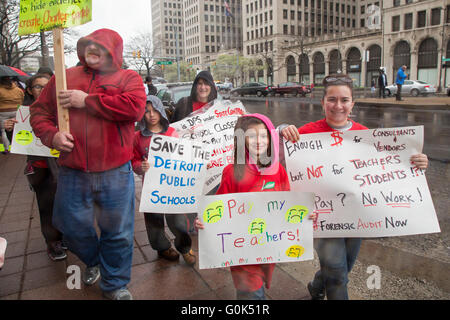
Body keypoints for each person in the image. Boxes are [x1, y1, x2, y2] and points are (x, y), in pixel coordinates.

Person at [280, 73, 429, 300]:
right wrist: (283, 128)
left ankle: (317, 285)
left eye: (344, 100)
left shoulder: (365, 135)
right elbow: (269, 148)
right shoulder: (307, 133)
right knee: (339, 275)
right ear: (322, 102)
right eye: (332, 99)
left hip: (357, 217)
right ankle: (325, 285)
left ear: (352, 103)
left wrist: (417, 163)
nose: (338, 105)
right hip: (324, 218)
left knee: (344, 268)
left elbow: (389, 169)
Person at [30, 28, 146, 300]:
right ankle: (96, 260)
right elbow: (39, 112)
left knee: (117, 232)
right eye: (89, 45)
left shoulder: (128, 77)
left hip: (116, 173)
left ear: (112, 51)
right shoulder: (64, 76)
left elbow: (134, 108)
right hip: (73, 172)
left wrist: (88, 101)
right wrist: (52, 136)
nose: (93, 50)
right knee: (68, 224)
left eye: (101, 47)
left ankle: (115, 284)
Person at [196, 113, 292, 300]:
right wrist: (205, 221)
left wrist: (304, 216)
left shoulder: (278, 170)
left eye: (263, 135)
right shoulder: (232, 172)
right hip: (242, 248)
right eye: (252, 136)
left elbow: (288, 202)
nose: (259, 141)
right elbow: (219, 206)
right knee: (251, 292)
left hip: (268, 244)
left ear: (271, 137)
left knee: (259, 286)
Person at [131, 95, 196, 265]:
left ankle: (184, 247)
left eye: (155, 110)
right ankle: (162, 247)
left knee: (179, 221)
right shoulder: (137, 137)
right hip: (151, 188)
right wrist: (140, 166)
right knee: (154, 222)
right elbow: (134, 160)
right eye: (147, 112)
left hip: (172, 186)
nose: (151, 115)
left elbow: (184, 156)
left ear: (161, 111)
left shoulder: (172, 133)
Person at [23, 73, 66, 261]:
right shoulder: (23, 112)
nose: (42, 89)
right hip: (40, 168)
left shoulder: (62, 110)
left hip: (63, 164)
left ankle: (65, 237)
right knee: (47, 205)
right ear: (30, 90)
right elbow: (16, 142)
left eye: (46, 86)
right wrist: (10, 129)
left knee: (66, 203)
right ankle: (53, 242)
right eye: (37, 86)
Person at [172, 70, 219, 232]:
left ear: (212, 86)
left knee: (210, 193)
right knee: (191, 193)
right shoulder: (183, 103)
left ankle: (207, 224)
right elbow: (173, 130)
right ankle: (191, 225)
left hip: (212, 160)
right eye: (199, 83)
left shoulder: (218, 107)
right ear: (195, 86)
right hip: (189, 159)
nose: (203, 87)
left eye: (206, 83)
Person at [0, 76, 24, 153]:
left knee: (4, 130)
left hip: (3, 112)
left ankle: (7, 148)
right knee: (17, 129)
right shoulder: (18, 90)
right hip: (16, 110)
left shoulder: (0, 90)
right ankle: (19, 146)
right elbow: (22, 98)